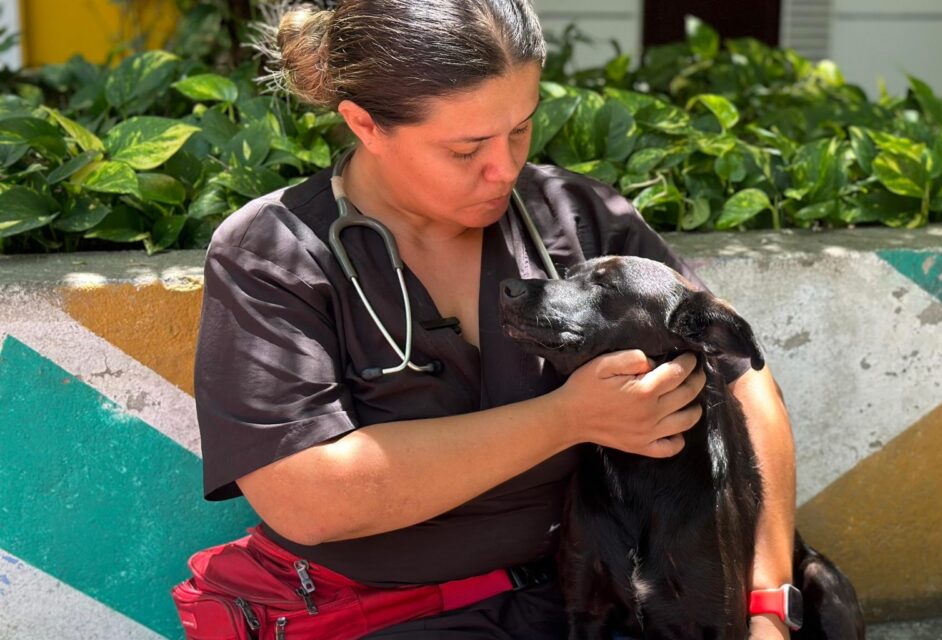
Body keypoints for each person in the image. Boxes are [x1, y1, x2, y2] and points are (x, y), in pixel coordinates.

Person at [193, 1, 798, 637]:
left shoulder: (574, 217)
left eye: (520, 130)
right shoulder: (276, 252)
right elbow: (307, 496)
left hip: (580, 605)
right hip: (385, 615)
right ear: (364, 124)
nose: (504, 169)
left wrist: (767, 605)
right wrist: (566, 417)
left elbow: (742, 384)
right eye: (465, 149)